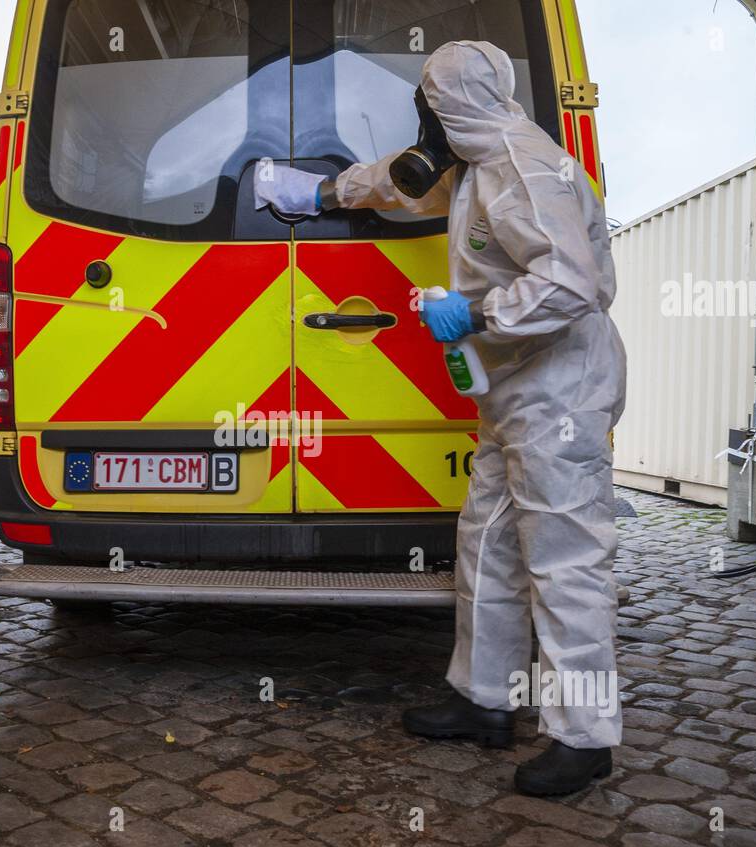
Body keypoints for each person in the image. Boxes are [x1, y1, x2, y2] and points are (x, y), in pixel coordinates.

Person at [259, 40, 627, 797]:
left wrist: (476, 310)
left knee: (565, 559)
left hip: (559, 389)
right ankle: (483, 698)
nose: (421, 120)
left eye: (426, 104)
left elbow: (569, 286)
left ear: (447, 104)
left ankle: (583, 737)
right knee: (488, 539)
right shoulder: (475, 160)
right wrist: (321, 195)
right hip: (514, 389)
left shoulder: (527, 171)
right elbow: (402, 185)